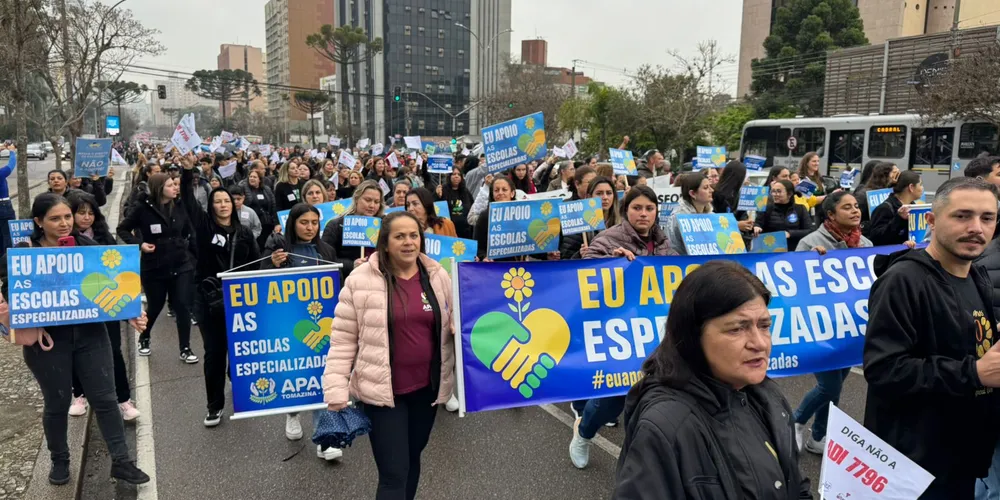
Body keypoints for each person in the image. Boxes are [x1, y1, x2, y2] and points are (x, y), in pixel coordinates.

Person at [611, 261, 811, 499]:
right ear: (693, 335)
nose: (759, 343)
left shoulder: (769, 396)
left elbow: (794, 484)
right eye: (737, 329)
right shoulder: (666, 427)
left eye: (764, 325)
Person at [864, 176, 1000, 499]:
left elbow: (969, 342)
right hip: (914, 469)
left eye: (987, 218)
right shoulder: (903, 280)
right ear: (932, 220)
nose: (976, 228)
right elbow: (884, 369)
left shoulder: (976, 274)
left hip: (964, 458)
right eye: (962, 216)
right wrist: (975, 372)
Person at [2, 193, 150, 486]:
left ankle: (121, 461)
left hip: (91, 336)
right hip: (48, 343)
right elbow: (9, 290)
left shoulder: (87, 247)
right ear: (38, 222)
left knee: (106, 399)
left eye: (67, 217)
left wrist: (132, 312)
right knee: (56, 403)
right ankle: (60, 460)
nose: (64, 224)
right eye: (55, 219)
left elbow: (111, 283)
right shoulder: (23, 252)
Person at [323, 211, 454, 500]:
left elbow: (454, 321)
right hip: (382, 394)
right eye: (400, 236)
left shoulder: (438, 275)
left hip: (427, 391)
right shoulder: (360, 280)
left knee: (412, 459)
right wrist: (335, 389)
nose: (408, 242)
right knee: (393, 473)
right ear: (384, 243)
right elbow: (343, 340)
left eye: (414, 235)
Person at [568, 186, 677, 469]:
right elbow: (583, 269)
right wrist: (610, 263)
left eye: (649, 209)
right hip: (620, 331)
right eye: (637, 208)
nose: (643, 214)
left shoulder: (664, 243)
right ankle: (583, 433)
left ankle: (642, 457)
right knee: (611, 398)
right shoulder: (609, 238)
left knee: (654, 395)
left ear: (656, 212)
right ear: (626, 210)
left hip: (657, 331)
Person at [179, 154, 261, 427]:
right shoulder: (203, 227)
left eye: (227, 201)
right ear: (211, 205)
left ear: (236, 203)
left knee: (239, 351)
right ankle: (214, 405)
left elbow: (256, 265)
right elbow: (189, 203)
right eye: (218, 201)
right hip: (208, 299)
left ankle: (239, 387)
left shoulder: (246, 232)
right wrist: (187, 172)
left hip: (240, 302)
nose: (223, 205)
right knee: (214, 352)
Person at [790, 192, 872, 454]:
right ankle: (796, 421)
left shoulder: (865, 243)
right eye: (847, 207)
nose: (855, 211)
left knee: (836, 387)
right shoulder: (810, 242)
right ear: (831, 215)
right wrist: (810, 262)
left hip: (849, 327)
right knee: (829, 386)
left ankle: (818, 436)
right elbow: (795, 281)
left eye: (856, 206)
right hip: (821, 326)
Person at [262, 203, 342, 461]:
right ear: (292, 223)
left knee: (322, 376)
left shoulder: (326, 250)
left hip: (321, 324)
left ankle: (324, 439)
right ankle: (292, 413)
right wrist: (272, 266)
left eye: (314, 223)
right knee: (296, 374)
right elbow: (260, 283)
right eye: (303, 222)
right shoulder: (280, 250)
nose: (309, 227)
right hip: (288, 324)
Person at [62, 193, 140, 421]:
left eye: (90, 213)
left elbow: (119, 271)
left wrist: (129, 308)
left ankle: (124, 400)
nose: (86, 218)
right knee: (76, 352)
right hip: (76, 307)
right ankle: (79, 394)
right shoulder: (60, 240)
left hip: (105, 304)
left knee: (113, 351)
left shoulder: (105, 237)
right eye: (81, 212)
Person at [115, 173, 198, 361]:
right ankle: (144, 337)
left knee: (183, 306)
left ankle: (185, 348)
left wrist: (191, 252)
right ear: (160, 189)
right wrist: (140, 244)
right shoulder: (142, 208)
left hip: (181, 263)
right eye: (170, 185)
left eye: (176, 185)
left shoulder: (179, 205)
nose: (175, 188)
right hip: (154, 266)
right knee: (155, 306)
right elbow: (122, 229)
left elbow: (189, 230)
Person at [321, 179, 386, 277]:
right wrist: (351, 265)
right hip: (346, 282)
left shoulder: (385, 225)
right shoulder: (336, 225)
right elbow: (325, 259)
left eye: (376, 202)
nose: (372, 205)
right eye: (367, 200)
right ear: (356, 199)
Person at [560, 177, 620, 260]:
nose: (605, 197)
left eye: (609, 193)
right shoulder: (579, 224)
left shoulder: (622, 223)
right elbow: (565, 260)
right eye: (599, 193)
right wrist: (580, 255)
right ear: (589, 196)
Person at [866, 170, 923, 247]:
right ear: (911, 187)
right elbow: (876, 238)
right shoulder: (885, 208)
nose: (922, 188)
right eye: (921, 184)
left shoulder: (913, 206)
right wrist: (898, 219)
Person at [754, 180, 813, 251]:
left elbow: (810, 231)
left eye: (779, 191)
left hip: (795, 251)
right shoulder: (766, 208)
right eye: (773, 191)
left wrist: (790, 234)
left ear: (789, 194)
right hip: (771, 251)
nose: (775, 194)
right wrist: (756, 227)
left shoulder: (800, 209)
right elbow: (758, 224)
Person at [665, 173, 713, 255]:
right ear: (692, 194)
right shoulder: (677, 218)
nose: (712, 190)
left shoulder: (712, 215)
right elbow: (673, 248)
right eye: (706, 188)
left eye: (710, 186)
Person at [474, 176, 517, 261]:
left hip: (519, 267)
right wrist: (484, 256)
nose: (500, 193)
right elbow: (478, 248)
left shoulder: (522, 214)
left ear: (512, 193)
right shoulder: (485, 216)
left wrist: (547, 254)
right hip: (493, 268)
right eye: (496, 190)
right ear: (492, 194)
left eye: (504, 190)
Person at [711, 160, 755, 233]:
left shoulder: (737, 194)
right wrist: (736, 224)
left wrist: (748, 223)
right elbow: (714, 219)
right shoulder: (715, 194)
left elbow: (742, 213)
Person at [241, 169, 278, 249]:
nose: (252, 178)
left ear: (260, 179)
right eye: (250, 177)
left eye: (254, 177)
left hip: (266, 223)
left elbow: (273, 205)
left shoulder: (266, 189)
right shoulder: (244, 189)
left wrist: (275, 221)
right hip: (252, 225)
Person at [437, 167, 474, 239]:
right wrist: (437, 195)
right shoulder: (442, 190)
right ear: (449, 176)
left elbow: (472, 207)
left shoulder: (465, 192)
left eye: (459, 174)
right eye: (454, 174)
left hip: (465, 232)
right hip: (448, 232)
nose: (456, 176)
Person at [0, 145, 16, 253]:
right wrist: (12, 151)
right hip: (3, 206)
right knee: (8, 235)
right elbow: (11, 164)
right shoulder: (1, 173)